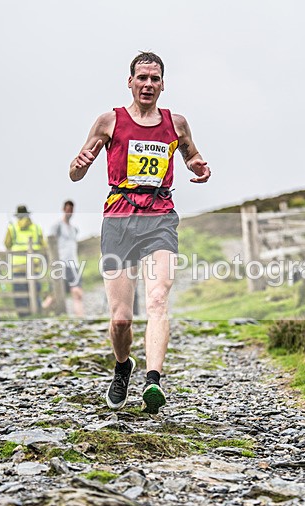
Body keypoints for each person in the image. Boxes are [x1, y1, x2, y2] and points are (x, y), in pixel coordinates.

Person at [69, 52, 211, 414]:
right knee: (120, 318)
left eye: (155, 79)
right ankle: (122, 367)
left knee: (158, 298)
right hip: (118, 219)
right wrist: (80, 165)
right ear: (130, 81)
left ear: (163, 84)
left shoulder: (176, 124)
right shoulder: (109, 121)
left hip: (160, 216)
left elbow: (191, 155)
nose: (148, 85)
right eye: (142, 78)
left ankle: (153, 381)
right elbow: (74, 172)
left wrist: (198, 166)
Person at [4, 205, 46, 314]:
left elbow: (7, 244)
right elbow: (44, 245)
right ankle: (36, 313)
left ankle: (23, 315)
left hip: (17, 266)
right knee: (35, 291)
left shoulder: (12, 228)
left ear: (17, 216)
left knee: (19, 293)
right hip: (34, 265)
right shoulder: (37, 228)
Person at [49, 200, 84, 318]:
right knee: (55, 294)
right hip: (61, 264)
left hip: (74, 264)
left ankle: (81, 318)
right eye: (68, 210)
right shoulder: (57, 226)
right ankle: (40, 311)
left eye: (71, 210)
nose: (70, 212)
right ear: (64, 209)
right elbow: (51, 244)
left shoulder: (74, 229)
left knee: (77, 292)